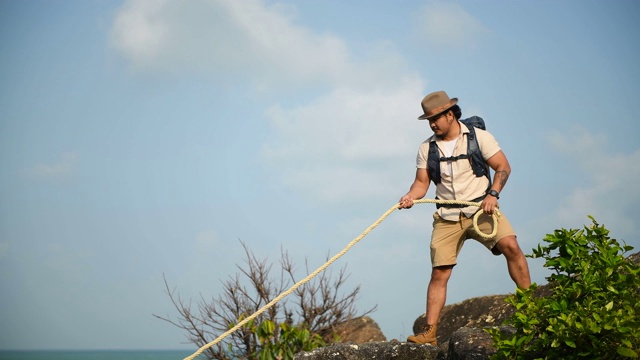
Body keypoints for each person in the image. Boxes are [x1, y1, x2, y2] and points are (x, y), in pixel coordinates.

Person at [398, 91, 531, 346]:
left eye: (436, 118)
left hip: (482, 209)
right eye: (429, 120)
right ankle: (429, 333)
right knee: (439, 273)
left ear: (450, 114)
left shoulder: (479, 137)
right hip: (447, 215)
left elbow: (503, 167)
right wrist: (410, 196)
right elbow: (421, 183)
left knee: (511, 246)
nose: (433, 123)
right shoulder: (427, 148)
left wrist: (493, 194)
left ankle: (532, 312)